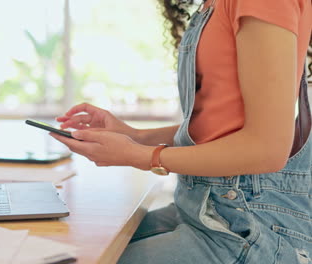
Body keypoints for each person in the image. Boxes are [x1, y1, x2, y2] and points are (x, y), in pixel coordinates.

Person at [50, 0, 312, 263]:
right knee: (77, 246)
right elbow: (222, 128)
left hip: (244, 226)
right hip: (203, 209)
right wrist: (135, 137)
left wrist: (143, 156)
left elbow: (266, 148)